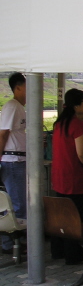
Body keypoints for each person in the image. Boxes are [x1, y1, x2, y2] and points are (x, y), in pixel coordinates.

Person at [51, 89, 83, 265]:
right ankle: (74, 254)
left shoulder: (59, 123)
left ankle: (58, 250)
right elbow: (82, 153)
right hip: (73, 176)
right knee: (76, 215)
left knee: (61, 214)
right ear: (76, 105)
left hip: (59, 176)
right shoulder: (77, 124)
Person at [0, 73, 27, 255]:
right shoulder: (12, 106)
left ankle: (15, 241)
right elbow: (3, 134)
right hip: (12, 161)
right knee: (17, 204)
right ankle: (12, 243)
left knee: (18, 202)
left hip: (18, 160)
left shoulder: (19, 107)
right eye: (26, 86)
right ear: (17, 88)